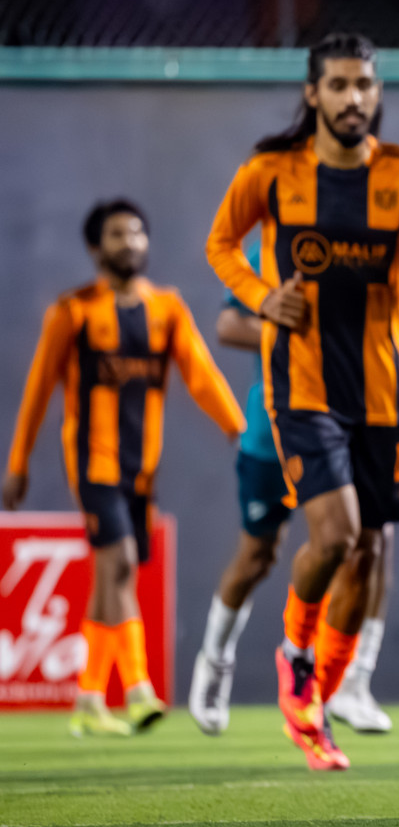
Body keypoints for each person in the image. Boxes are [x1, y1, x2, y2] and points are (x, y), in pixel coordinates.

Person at [206, 32, 399, 770]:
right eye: (341, 85)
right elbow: (220, 245)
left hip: (380, 393)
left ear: (378, 93)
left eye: (366, 85)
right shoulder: (272, 172)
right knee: (338, 536)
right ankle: (295, 658)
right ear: (313, 93)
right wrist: (263, 297)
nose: (355, 98)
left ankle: (318, 700)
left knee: (370, 547)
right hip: (303, 387)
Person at [4, 200, 245, 737]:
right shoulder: (73, 312)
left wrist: (238, 428)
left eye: (137, 232)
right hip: (93, 463)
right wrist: (17, 463)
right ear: (96, 247)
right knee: (121, 561)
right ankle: (137, 689)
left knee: (114, 574)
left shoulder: (167, 308)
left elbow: (200, 373)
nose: (130, 242)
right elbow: (38, 390)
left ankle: (89, 697)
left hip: (141, 468)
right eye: (117, 234)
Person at [189, 239, 395, 736]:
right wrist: (295, 330)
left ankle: (351, 680)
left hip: (348, 421)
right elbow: (228, 325)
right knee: (257, 556)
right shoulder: (275, 244)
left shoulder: (364, 236)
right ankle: (214, 662)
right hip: (274, 423)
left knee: (371, 543)